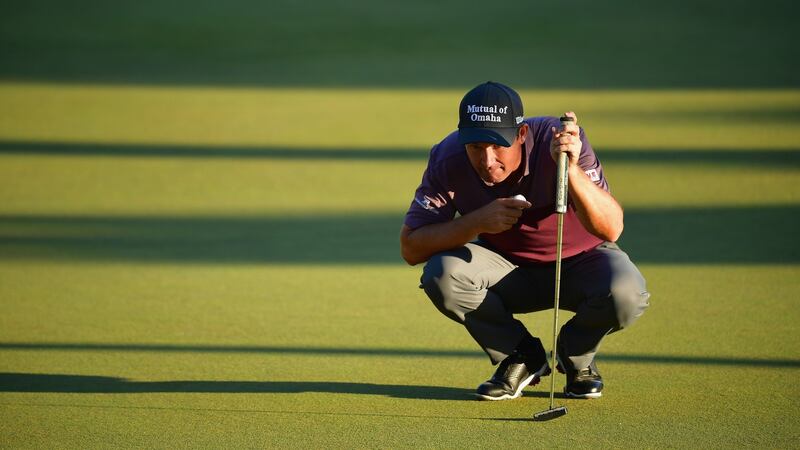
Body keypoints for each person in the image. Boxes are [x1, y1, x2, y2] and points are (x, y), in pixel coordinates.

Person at [400, 81, 650, 401]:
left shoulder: (559, 142)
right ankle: (521, 356)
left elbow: (612, 229)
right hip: (506, 267)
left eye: (497, 145)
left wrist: (570, 171)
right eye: (476, 146)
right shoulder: (447, 157)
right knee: (442, 274)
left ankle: (576, 356)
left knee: (627, 293)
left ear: (521, 135)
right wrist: (477, 221)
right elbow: (411, 248)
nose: (487, 160)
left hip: (582, 261)